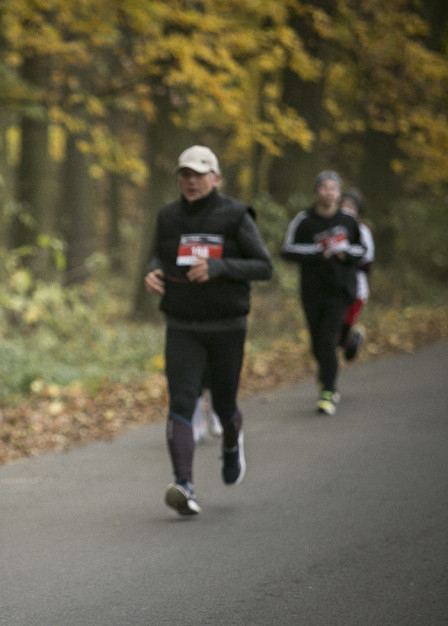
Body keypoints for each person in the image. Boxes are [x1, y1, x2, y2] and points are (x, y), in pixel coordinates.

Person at [144, 145, 273, 516]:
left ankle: (232, 444)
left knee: (224, 404)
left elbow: (263, 267)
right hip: (182, 324)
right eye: (185, 174)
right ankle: (183, 484)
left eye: (199, 174)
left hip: (227, 325)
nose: (191, 181)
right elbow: (159, 255)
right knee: (182, 401)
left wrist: (219, 268)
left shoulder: (235, 215)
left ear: (215, 178)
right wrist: (153, 273)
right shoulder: (168, 216)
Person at [280, 171, 367, 415]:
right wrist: (318, 253)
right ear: (317, 191)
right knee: (317, 343)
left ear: (339, 193)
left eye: (333, 188)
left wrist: (345, 254)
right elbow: (287, 250)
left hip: (340, 290)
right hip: (312, 290)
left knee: (328, 340)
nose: (329, 193)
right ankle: (327, 374)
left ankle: (327, 391)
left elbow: (362, 250)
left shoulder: (349, 221)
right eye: (324, 188)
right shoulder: (304, 220)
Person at [337, 189, 375, 361]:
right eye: (343, 205)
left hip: (356, 288)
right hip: (334, 286)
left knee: (345, 325)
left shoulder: (362, 231)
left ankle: (353, 338)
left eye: (351, 206)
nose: (346, 209)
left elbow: (367, 263)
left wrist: (347, 258)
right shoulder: (334, 227)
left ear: (358, 209)